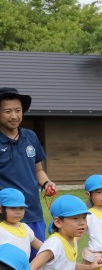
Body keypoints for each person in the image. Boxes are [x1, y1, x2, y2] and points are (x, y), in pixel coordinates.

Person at [0, 88, 57, 249]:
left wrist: (46, 184)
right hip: (6, 217)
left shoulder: (30, 136)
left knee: (37, 262)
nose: (14, 116)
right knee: (9, 267)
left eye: (18, 110)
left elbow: (38, 170)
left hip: (33, 212)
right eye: (7, 111)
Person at [0, 188, 43, 258]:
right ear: (1, 209)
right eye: (13, 208)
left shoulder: (25, 227)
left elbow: (41, 246)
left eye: (21, 208)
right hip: (5, 268)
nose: (18, 212)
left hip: (25, 268)